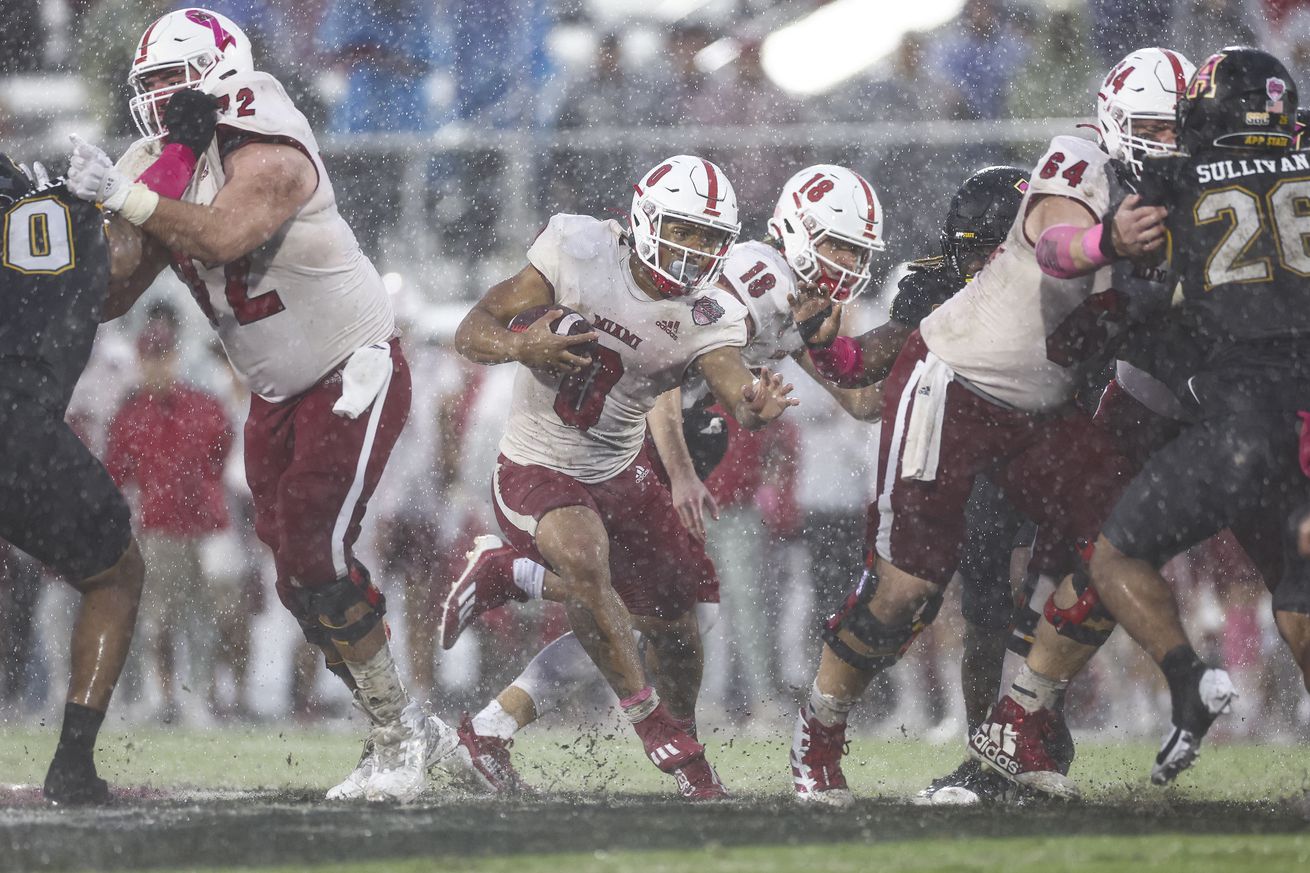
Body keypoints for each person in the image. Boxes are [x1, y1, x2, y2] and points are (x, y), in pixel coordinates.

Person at [63, 8, 466, 802]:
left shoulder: (267, 126)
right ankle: (407, 726)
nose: (162, 99)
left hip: (352, 370)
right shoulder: (160, 159)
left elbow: (223, 237)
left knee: (317, 552)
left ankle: (399, 737)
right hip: (276, 394)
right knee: (296, 581)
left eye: (177, 81)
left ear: (221, 73)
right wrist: (81, 222)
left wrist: (128, 196)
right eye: (150, 87)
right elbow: (112, 292)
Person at [787, 47, 1191, 806]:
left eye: (1176, 129)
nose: (1164, 144)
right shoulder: (1079, 157)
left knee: (1121, 547)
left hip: (1046, 409)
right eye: (1149, 127)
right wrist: (1111, 243)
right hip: (960, 384)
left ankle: (1018, 719)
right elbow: (1053, 240)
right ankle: (820, 729)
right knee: (906, 592)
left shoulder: (1191, 196)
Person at [442, 164, 886, 790]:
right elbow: (661, 365)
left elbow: (862, 397)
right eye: (836, 244)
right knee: (638, 607)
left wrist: (932, 333)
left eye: (855, 251)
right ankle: (661, 741)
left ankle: (494, 720)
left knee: (664, 617)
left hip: (686, 435)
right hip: (648, 440)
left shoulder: (800, 299)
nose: (844, 262)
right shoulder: (751, 284)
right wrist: (679, 471)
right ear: (798, 228)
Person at [1027, 46, 1310, 785]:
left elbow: (1056, 254)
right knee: (1298, 589)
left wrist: (1106, 245)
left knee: (1114, 554)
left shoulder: (1173, 175)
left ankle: (1187, 677)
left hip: (1237, 415)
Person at [0, 156, 147, 804]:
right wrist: (110, 200)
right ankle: (72, 764)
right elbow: (122, 269)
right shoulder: (60, 209)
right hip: (15, 426)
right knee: (115, 573)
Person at [106, 306, 233, 724]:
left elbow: (222, 456)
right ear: (140, 359)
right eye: (150, 355)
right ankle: (160, 697)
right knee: (156, 619)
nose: (157, 364)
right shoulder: (130, 415)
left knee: (202, 617)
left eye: (163, 355)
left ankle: (197, 697)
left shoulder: (202, 405)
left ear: (174, 357)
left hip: (203, 527)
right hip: (157, 529)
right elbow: (116, 474)